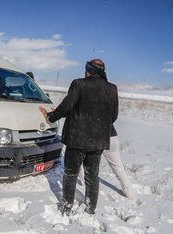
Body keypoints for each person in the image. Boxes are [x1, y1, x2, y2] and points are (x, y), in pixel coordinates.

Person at [39, 59, 118, 215]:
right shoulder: (112, 89)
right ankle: (90, 208)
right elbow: (113, 116)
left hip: (77, 140)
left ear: (88, 70)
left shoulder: (79, 84)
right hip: (98, 142)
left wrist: (51, 117)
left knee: (70, 173)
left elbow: (66, 107)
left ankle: (67, 206)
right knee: (92, 176)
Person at [78, 124, 137, 200]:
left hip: (96, 138)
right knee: (118, 168)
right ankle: (131, 195)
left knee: (82, 161)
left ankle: (84, 184)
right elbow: (114, 116)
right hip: (111, 136)